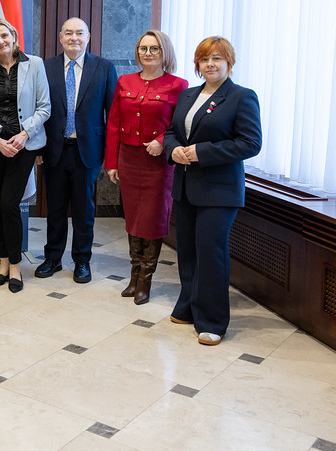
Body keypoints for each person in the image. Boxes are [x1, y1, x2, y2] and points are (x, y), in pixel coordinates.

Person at [164, 36, 261, 346]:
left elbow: (250, 143)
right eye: (205, 59)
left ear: (229, 62)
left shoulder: (242, 97)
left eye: (217, 58)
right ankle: (189, 307)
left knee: (211, 254)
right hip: (186, 187)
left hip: (219, 191)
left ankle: (213, 321)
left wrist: (200, 152)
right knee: (188, 252)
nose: (210, 64)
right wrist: (173, 149)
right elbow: (171, 132)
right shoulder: (188, 95)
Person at [105, 30, 188, 304]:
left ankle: (145, 280)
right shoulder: (125, 81)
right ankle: (133, 276)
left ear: (165, 52)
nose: (148, 53)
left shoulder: (178, 85)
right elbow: (114, 123)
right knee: (133, 218)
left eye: (154, 48)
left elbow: (180, 125)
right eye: (143, 48)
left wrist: (162, 142)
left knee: (152, 219)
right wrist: (112, 163)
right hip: (129, 160)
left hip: (157, 164)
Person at [35, 17, 118, 284]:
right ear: (60, 37)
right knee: (55, 208)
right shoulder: (45, 67)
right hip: (54, 149)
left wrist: (111, 155)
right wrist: (37, 148)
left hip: (88, 151)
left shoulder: (104, 68)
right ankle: (53, 258)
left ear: (88, 37)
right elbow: (38, 108)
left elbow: (113, 115)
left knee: (84, 211)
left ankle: (82, 260)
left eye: (79, 33)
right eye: (68, 33)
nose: (74, 38)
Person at [0, 18, 50, 293]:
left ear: (14, 36)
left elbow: (44, 107)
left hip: (23, 146)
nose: (0, 41)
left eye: (4, 36)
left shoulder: (35, 64)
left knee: (9, 204)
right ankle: (3, 263)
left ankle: (16, 266)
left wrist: (24, 134)